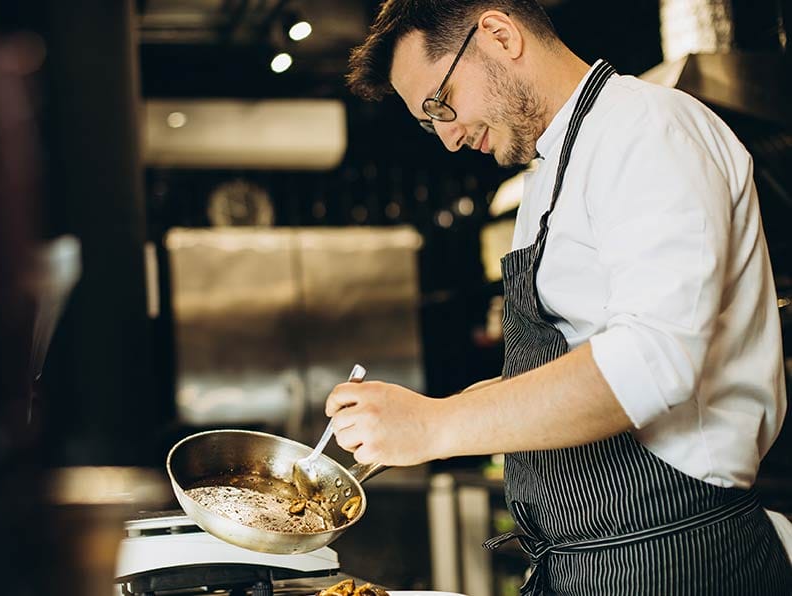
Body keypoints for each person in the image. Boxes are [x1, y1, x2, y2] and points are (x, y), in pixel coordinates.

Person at [326, 1, 792, 594]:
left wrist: (437, 425)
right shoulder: (549, 170)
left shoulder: (647, 129)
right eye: (427, 121)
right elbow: (567, 365)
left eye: (440, 104)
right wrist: (403, 421)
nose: (445, 138)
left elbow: (653, 362)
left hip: (674, 559)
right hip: (589, 565)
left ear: (498, 34)